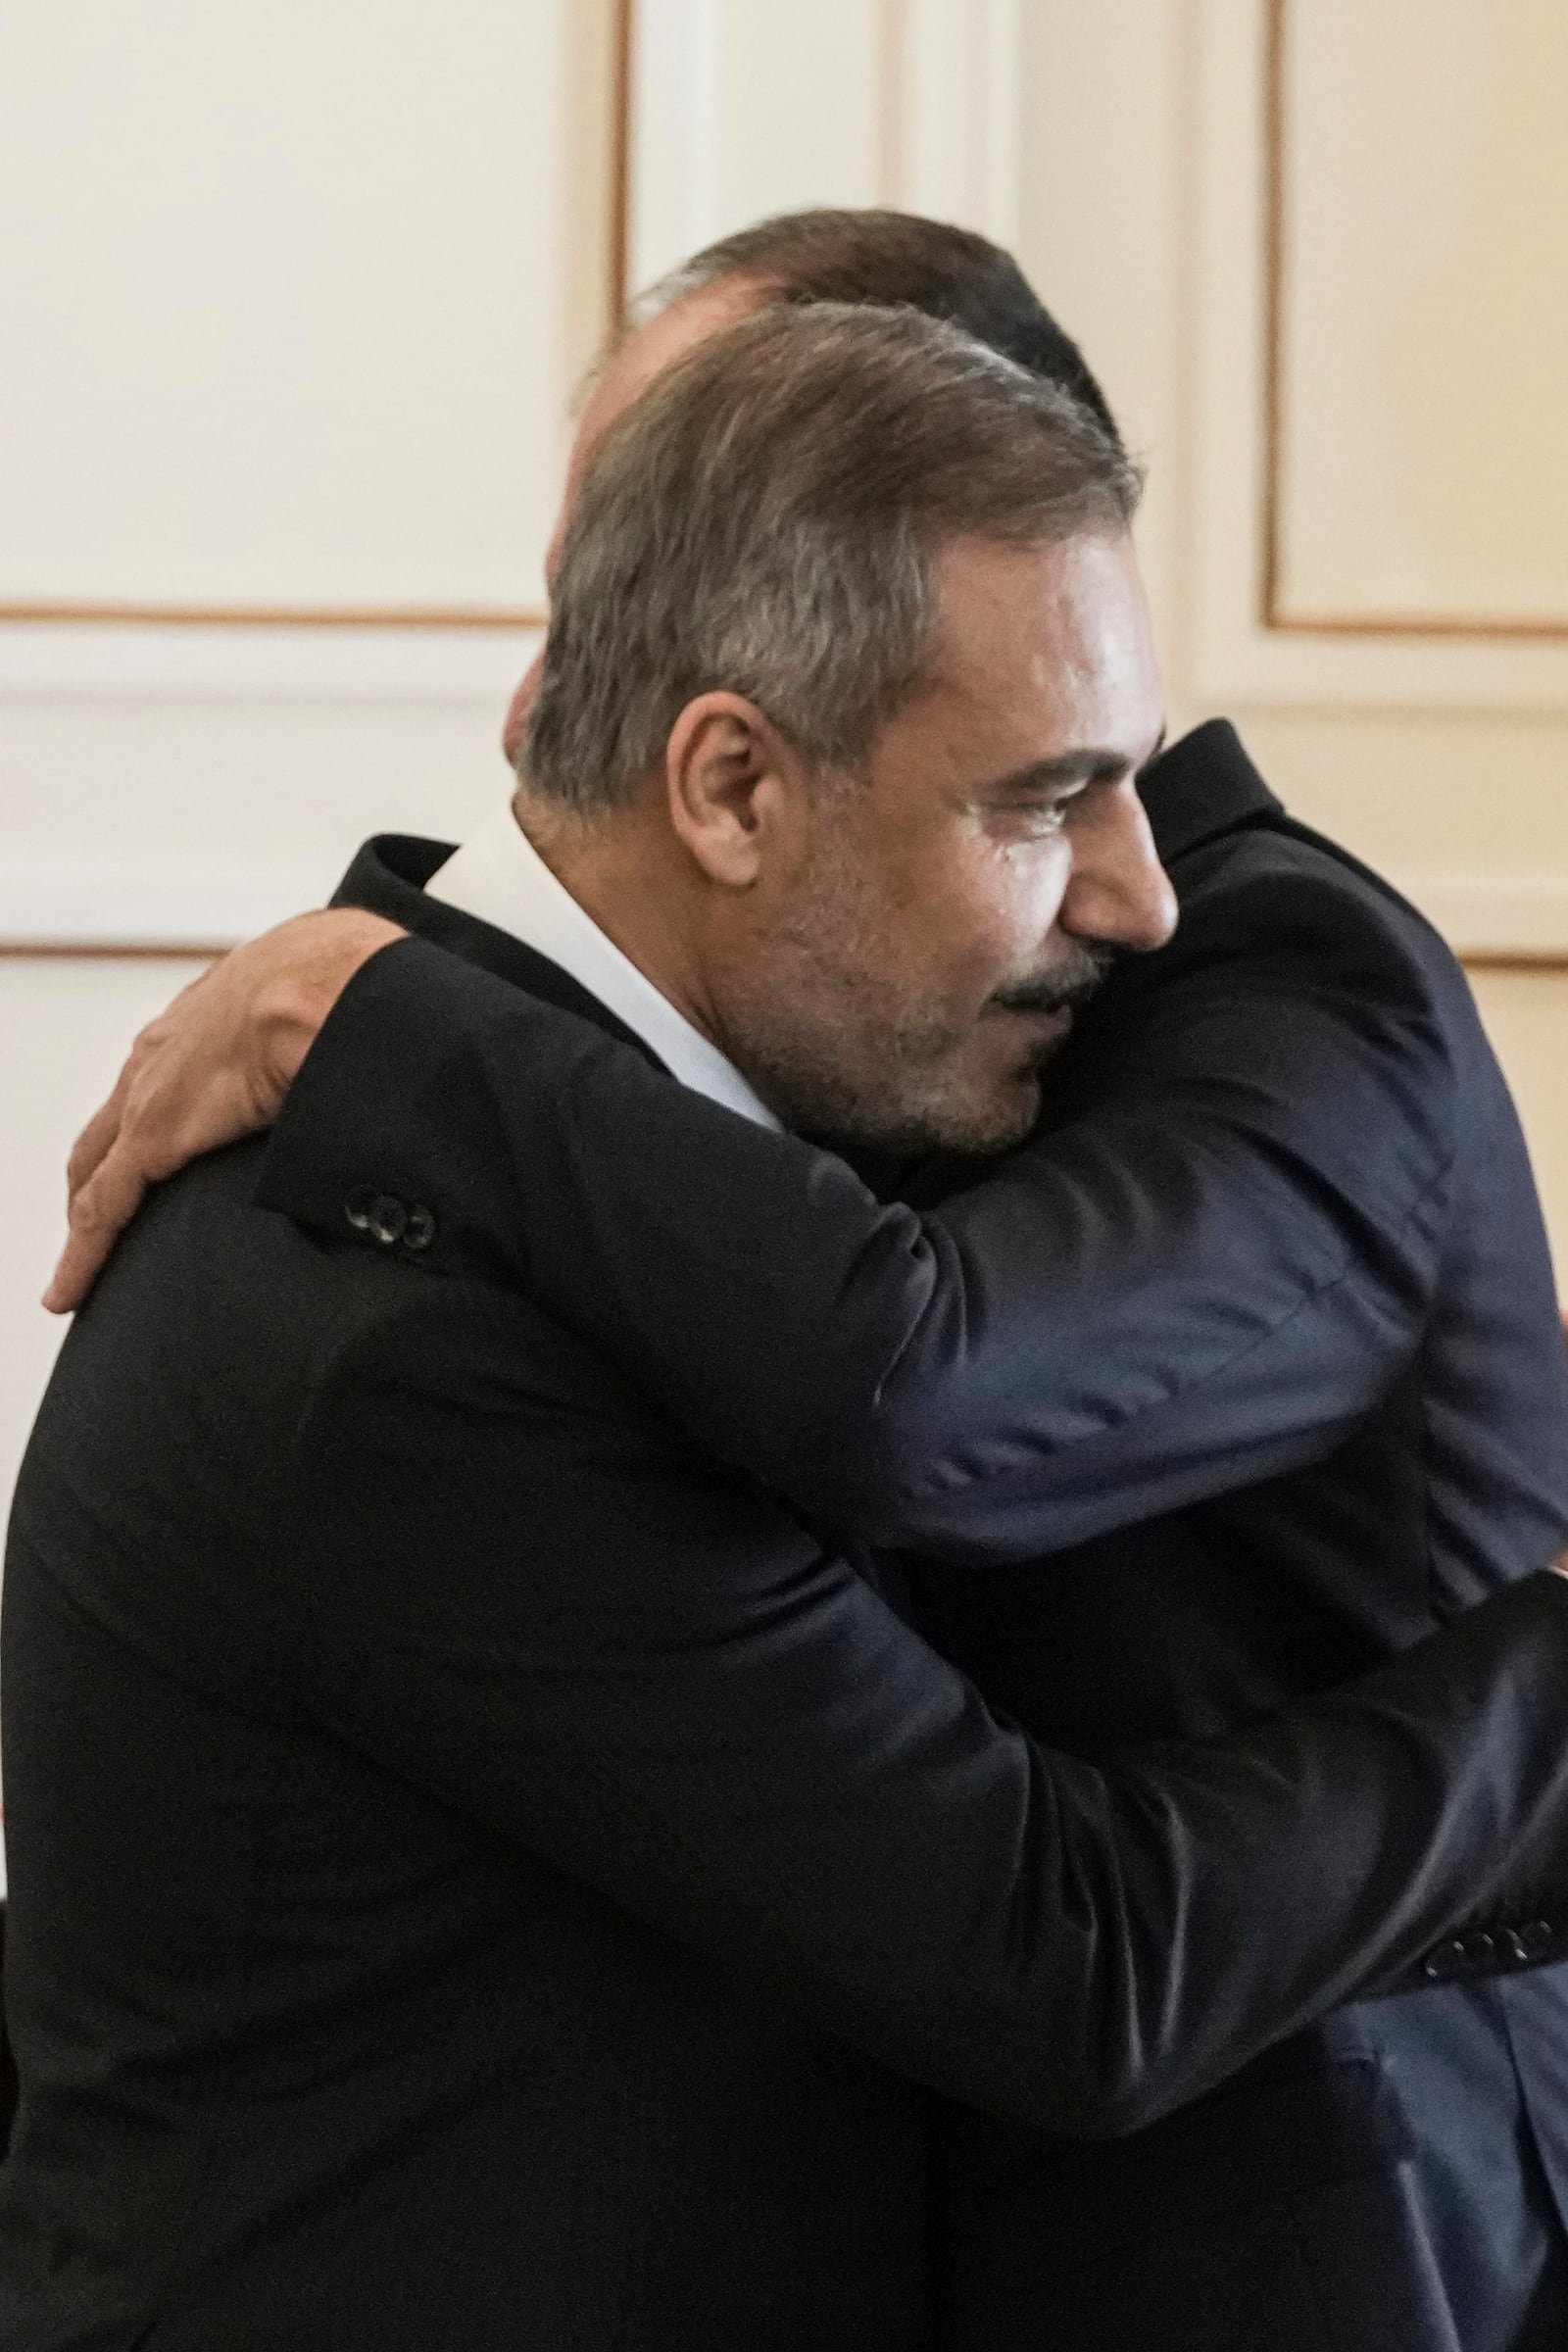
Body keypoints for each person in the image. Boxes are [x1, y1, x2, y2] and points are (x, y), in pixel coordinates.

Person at [23, 222, 1568, 2352]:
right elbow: (1053, 1949)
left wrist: (372, 1015)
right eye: (1042, 800)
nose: (1127, 895)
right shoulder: (416, 1323)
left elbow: (913, 1382)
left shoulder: (1241, 1000)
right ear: (728, 779)